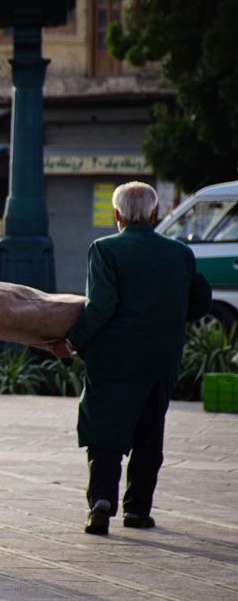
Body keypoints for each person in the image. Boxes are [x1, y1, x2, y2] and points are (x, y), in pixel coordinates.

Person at [49, 182, 211, 535]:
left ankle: (101, 503)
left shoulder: (104, 249)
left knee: (104, 428)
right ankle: (138, 510)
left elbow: (101, 306)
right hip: (161, 355)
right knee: (149, 430)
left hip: (114, 355)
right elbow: (200, 300)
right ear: (154, 214)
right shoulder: (179, 253)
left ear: (117, 214)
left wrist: (70, 344)